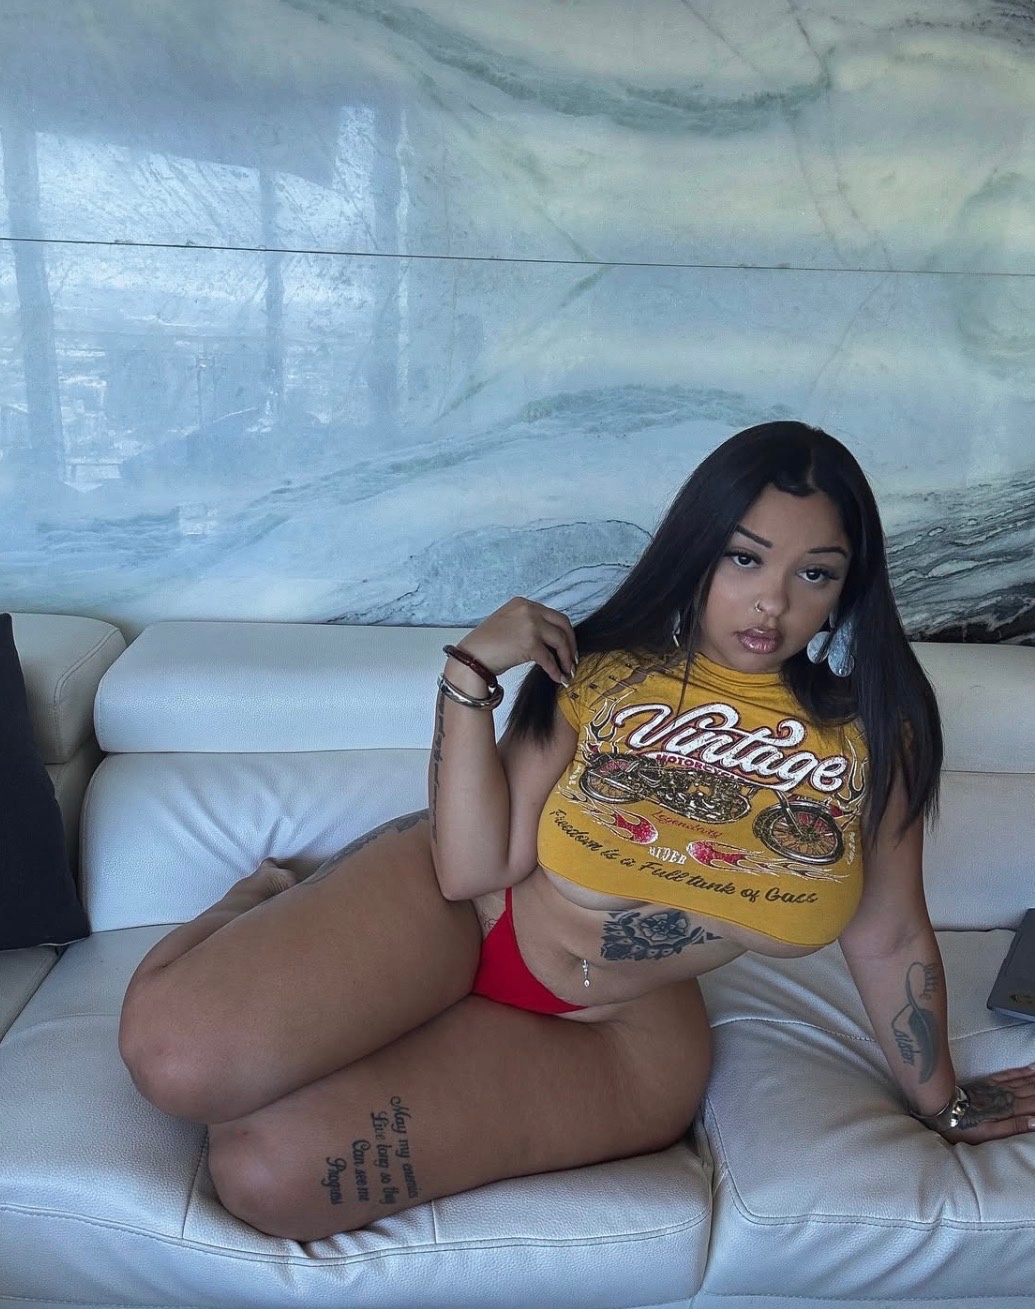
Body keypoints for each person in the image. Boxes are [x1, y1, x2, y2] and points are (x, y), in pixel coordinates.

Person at [118, 420, 1035, 1243]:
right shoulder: (603, 669)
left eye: (813, 573)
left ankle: (352, 1021)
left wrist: (944, 1103)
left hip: (617, 1030)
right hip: (464, 912)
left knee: (265, 1175)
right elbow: (471, 867)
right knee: (177, 1066)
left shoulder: (877, 733)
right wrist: (470, 674)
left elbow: (889, 936)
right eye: (743, 559)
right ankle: (257, 898)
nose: (771, 603)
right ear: (695, 553)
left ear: (845, 588)